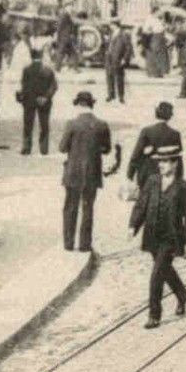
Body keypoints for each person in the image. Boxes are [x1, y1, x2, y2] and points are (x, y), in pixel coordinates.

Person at [130, 143, 186, 329]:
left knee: (157, 274)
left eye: (165, 162)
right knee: (165, 270)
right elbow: (141, 205)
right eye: (159, 162)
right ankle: (182, 294)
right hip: (152, 235)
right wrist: (133, 226)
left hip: (171, 238)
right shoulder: (152, 181)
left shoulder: (184, 188)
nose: (161, 165)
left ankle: (154, 314)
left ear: (175, 163)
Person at [58, 91, 113, 252]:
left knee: (70, 207)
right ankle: (84, 244)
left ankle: (68, 244)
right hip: (92, 172)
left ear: (78, 105)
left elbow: (62, 148)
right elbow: (107, 149)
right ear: (91, 104)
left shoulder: (72, 124)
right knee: (88, 208)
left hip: (73, 172)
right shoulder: (102, 125)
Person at [127, 101, 182, 187]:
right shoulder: (175, 134)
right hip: (167, 174)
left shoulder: (147, 131)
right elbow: (177, 157)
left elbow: (136, 155)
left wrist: (130, 175)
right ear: (169, 116)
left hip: (147, 173)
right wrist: (179, 177)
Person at [18, 51, 59, 155]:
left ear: (31, 57)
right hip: (44, 101)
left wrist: (22, 97)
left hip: (29, 101)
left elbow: (24, 86)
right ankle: (44, 149)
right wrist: (46, 97)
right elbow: (54, 86)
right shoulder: (48, 70)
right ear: (41, 57)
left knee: (28, 125)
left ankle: (26, 148)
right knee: (44, 125)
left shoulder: (26, 70)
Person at [103, 21, 135, 104]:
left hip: (118, 58)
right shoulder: (111, 34)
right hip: (109, 58)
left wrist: (125, 59)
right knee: (109, 76)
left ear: (115, 25)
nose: (110, 27)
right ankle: (111, 94)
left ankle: (121, 96)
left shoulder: (123, 35)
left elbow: (129, 48)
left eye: (111, 25)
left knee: (119, 78)